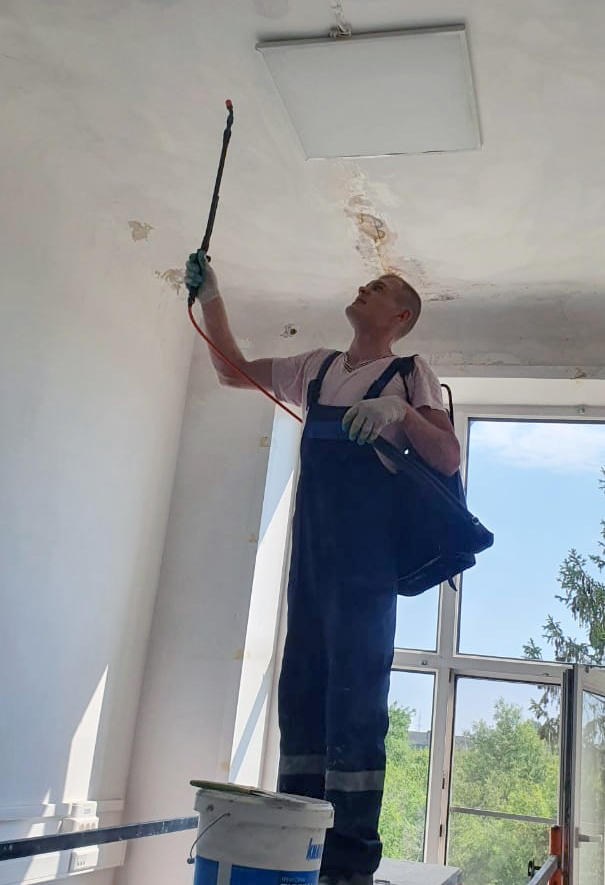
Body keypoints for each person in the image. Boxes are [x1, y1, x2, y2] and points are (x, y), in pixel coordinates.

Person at [185, 252, 460, 885]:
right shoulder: (315, 367)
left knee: (356, 704)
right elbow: (230, 371)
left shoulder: (410, 373)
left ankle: (349, 866)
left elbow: (446, 457)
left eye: (379, 287)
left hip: (367, 567)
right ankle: (297, 852)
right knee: (302, 695)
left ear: (401, 316)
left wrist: (400, 412)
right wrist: (212, 297)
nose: (364, 286)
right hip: (310, 561)